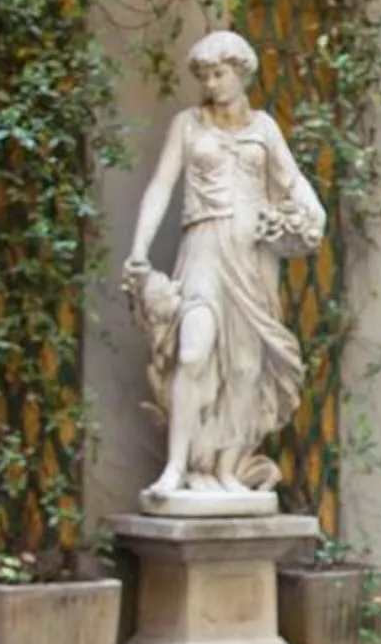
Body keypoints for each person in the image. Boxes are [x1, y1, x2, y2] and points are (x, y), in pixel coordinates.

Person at [121, 30, 325, 504]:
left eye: (220, 73)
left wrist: (314, 217)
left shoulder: (265, 128)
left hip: (254, 258)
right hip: (205, 249)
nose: (213, 84)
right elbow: (160, 186)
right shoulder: (189, 125)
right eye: (206, 76)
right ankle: (176, 466)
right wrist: (139, 248)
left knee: (245, 366)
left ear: (241, 73)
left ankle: (230, 468)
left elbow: (293, 183)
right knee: (193, 353)